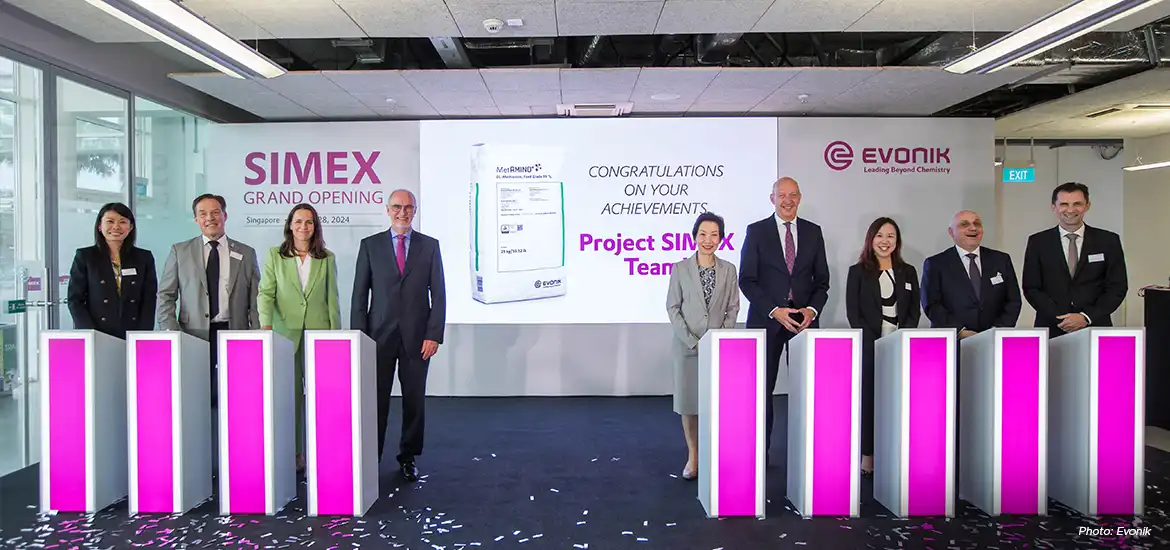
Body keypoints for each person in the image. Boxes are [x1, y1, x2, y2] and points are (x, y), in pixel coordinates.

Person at [351, 189, 446, 483]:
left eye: (408, 207)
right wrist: (359, 338)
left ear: (414, 211)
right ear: (387, 210)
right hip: (378, 338)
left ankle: (408, 456)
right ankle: (371, 457)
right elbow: (359, 296)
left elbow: (439, 294)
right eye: (397, 207)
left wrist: (434, 335)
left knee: (414, 401)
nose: (402, 212)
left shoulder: (429, 246)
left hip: (418, 339)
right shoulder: (370, 246)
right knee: (375, 401)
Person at [738, 176, 830, 463]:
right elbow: (747, 280)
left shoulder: (814, 232)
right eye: (782, 195)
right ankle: (759, 453)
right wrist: (774, 310)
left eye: (793, 195)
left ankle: (809, 454)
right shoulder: (756, 232)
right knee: (761, 390)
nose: (788, 200)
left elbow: (822, 282)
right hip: (767, 322)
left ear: (800, 198)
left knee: (810, 391)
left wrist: (811, 311)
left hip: (804, 323)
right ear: (772, 198)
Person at [258, 203, 341, 473]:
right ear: (290, 225)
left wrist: (335, 339)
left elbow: (332, 301)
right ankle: (294, 454)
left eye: (309, 222)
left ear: (315, 227)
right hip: (285, 336)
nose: (303, 227)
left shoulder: (326, 258)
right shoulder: (275, 255)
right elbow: (266, 294)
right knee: (290, 398)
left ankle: (322, 449)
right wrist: (266, 327)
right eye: (298, 221)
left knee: (321, 398)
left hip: (319, 337)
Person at [157, 194, 261, 407]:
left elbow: (256, 299)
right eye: (203, 214)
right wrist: (171, 332)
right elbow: (165, 295)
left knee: (236, 398)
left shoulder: (246, 253)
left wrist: (257, 335)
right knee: (195, 399)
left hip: (234, 332)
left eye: (215, 212)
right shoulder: (180, 251)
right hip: (193, 335)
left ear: (225, 215)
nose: (210, 218)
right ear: (196, 219)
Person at [665, 212, 740, 480]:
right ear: (694, 236)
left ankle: (715, 455)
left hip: (718, 350)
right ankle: (693, 456)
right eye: (703, 234)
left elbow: (733, 307)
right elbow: (673, 308)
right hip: (687, 349)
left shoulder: (729, 269)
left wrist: (720, 339)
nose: (708, 240)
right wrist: (693, 341)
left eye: (714, 235)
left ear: (721, 238)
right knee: (689, 405)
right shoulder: (680, 269)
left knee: (717, 405)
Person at [845, 217, 921, 476]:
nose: (885, 241)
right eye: (879, 235)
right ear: (870, 239)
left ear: (897, 241)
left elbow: (913, 311)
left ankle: (897, 452)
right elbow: (853, 314)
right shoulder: (857, 272)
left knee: (899, 400)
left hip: (901, 346)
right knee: (870, 400)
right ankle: (868, 454)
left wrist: (903, 338)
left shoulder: (908, 271)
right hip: (870, 346)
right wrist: (874, 342)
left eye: (890, 236)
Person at [1022, 182, 1127, 336]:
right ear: (1054, 207)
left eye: (1077, 204)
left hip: (1095, 326)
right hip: (1052, 327)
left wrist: (1086, 317)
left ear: (1087, 206)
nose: (1070, 210)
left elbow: (1117, 287)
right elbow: (1032, 287)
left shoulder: (1108, 241)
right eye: (1064, 204)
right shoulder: (1038, 242)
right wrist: (1061, 318)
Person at [921, 210, 1021, 336]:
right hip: (953, 341)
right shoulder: (936, 264)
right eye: (964, 224)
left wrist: (997, 331)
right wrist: (960, 331)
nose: (973, 228)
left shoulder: (1001, 260)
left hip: (993, 339)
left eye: (977, 224)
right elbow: (931, 304)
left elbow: (1013, 300)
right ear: (951, 232)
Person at [66, 202, 157, 339]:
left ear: (130, 227)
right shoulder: (86, 256)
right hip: (97, 333)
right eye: (110, 221)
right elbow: (75, 300)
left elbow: (149, 299)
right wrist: (90, 333)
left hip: (133, 333)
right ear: (99, 226)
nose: (116, 227)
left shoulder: (143, 258)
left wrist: (143, 335)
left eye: (122, 222)